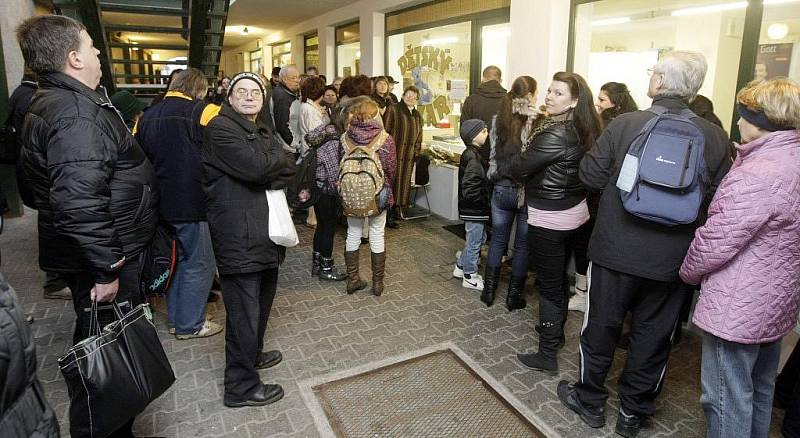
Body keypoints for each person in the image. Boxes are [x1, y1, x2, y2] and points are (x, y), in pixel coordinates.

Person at [558, 51, 732, 437]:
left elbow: (589, 174)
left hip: (614, 250)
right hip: (672, 260)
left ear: (658, 83)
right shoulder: (714, 136)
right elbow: (721, 200)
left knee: (600, 327)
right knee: (654, 337)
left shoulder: (626, 125)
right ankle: (633, 414)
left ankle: (589, 401)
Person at [17, 15, 160, 436]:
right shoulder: (75, 112)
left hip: (103, 250)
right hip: (107, 259)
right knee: (107, 360)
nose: (100, 55)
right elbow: (78, 201)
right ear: (75, 58)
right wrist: (107, 268)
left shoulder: (60, 102)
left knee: (108, 351)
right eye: (93, 48)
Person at [680, 77, 800, 438]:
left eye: (743, 115)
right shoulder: (792, 158)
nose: (737, 122)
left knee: (724, 396)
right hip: (777, 297)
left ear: (760, 120)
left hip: (739, 304)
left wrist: (687, 273)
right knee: (760, 389)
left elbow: (717, 239)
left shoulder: (760, 173)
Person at [202, 72, 296, 407]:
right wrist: (275, 164)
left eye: (255, 91)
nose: (249, 96)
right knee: (243, 312)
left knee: (262, 301)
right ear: (229, 97)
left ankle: (251, 355)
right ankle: (239, 387)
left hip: (264, 233)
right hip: (239, 235)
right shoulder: (221, 129)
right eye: (241, 91)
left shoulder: (261, 128)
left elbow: (287, 163)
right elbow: (258, 167)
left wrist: (275, 163)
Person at [512, 72, 602, 374]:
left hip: (551, 216)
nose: (550, 97)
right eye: (549, 91)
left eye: (559, 93)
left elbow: (520, 167)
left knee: (550, 286)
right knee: (558, 279)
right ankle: (555, 332)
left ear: (574, 101)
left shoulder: (556, 133)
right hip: (572, 210)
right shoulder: (579, 126)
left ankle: (547, 353)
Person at [135, 68, 223, 340]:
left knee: (176, 262)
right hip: (193, 202)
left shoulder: (146, 117)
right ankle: (190, 324)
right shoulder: (205, 112)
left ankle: (177, 319)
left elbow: (137, 158)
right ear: (200, 89)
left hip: (158, 204)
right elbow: (222, 150)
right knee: (199, 262)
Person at [569, 81, 639, 314]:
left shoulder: (608, 125)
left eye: (602, 99)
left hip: (599, 196)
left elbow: (596, 166)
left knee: (587, 245)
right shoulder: (637, 123)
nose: (598, 104)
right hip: (624, 198)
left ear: (614, 102)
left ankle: (584, 295)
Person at [6, 69, 72, 300]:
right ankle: (55, 281)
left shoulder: (22, 93)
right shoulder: (30, 97)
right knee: (53, 225)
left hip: (33, 169)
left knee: (51, 222)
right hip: (41, 172)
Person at [483, 75, 538, 310]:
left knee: (497, 241)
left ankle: (488, 292)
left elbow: (493, 153)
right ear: (531, 95)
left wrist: (495, 176)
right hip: (526, 190)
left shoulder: (499, 118)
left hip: (501, 186)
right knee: (523, 246)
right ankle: (513, 297)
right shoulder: (538, 120)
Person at [304, 97, 368, 282]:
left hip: (317, 187)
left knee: (322, 227)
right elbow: (333, 173)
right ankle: (326, 267)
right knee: (328, 228)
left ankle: (317, 264)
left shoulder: (325, 129)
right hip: (327, 191)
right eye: (351, 116)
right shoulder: (335, 139)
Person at [341, 98, 397, 296]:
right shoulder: (385, 138)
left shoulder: (345, 137)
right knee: (376, 233)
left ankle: (353, 279)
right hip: (378, 193)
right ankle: (377, 283)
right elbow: (391, 169)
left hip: (351, 194)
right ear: (375, 115)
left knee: (353, 233)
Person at [453, 119, 490, 291]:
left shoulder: (471, 154)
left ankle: (461, 266)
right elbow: (471, 188)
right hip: (475, 209)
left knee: (478, 238)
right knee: (475, 241)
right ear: (474, 136)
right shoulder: (473, 157)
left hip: (472, 209)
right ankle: (470, 276)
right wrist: (483, 202)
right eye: (483, 132)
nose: (487, 134)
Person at [383, 85, 423, 228]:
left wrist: (416, 152)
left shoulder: (417, 115)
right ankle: (387, 215)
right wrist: (388, 152)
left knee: (403, 184)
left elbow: (419, 136)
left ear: (417, 99)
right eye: (408, 94)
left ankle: (396, 211)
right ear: (402, 95)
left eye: (413, 96)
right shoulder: (393, 109)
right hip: (394, 154)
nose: (410, 97)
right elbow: (385, 132)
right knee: (391, 183)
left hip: (408, 157)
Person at [270, 65, 300, 153]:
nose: (297, 80)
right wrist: (293, 143)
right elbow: (282, 125)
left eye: (298, 77)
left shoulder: (285, 92)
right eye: (294, 78)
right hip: (288, 147)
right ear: (284, 79)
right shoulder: (282, 96)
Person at [297, 76, 329, 155]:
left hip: (311, 149)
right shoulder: (309, 109)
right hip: (313, 151)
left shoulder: (309, 105)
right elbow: (315, 135)